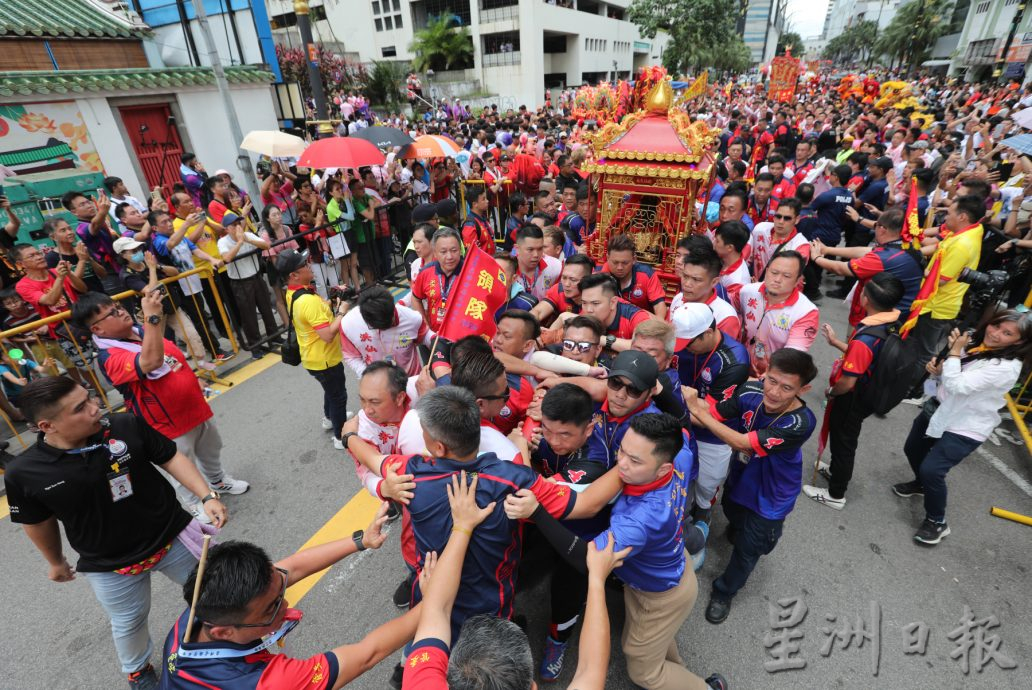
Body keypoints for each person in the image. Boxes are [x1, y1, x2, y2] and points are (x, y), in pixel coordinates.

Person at [345, 386, 621, 684]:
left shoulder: (410, 475)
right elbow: (584, 504)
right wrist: (627, 466)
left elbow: (374, 459)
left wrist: (349, 436)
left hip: (430, 595)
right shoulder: (515, 479)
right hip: (491, 607)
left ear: (438, 447)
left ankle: (407, 668)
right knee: (487, 673)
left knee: (423, 645)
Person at [3, 375, 229, 690]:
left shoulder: (125, 425)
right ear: (47, 426)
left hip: (172, 537)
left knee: (215, 591)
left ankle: (229, 637)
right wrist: (55, 562)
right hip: (109, 564)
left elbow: (170, 456)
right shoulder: (24, 473)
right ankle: (138, 671)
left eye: (90, 397)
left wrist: (206, 496)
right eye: (80, 408)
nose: (95, 407)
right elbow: (37, 521)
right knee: (129, 621)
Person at [505, 414, 728, 690]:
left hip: (658, 594)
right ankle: (677, 672)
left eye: (635, 461)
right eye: (622, 450)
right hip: (667, 569)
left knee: (645, 672)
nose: (621, 463)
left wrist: (537, 512)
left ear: (662, 469)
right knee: (656, 645)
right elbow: (680, 423)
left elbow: (589, 560)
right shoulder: (679, 452)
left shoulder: (640, 520)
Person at [402, 470, 628, 690]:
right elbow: (590, 669)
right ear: (532, 686)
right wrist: (596, 580)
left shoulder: (422, 681)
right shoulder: (423, 680)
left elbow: (436, 610)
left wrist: (460, 527)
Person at [160, 505, 422, 689]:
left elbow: (292, 569)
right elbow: (367, 654)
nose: (286, 605)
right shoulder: (270, 683)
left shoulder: (196, 615)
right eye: (272, 608)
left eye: (281, 594)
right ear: (224, 632)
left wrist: (362, 540)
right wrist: (432, 603)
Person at [72, 291, 249, 521]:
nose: (121, 311)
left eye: (118, 306)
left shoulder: (141, 331)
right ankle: (195, 501)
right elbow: (151, 361)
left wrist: (192, 378)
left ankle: (218, 481)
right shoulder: (109, 357)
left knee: (211, 446)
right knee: (179, 462)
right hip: (165, 422)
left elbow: (171, 357)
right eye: (112, 313)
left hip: (193, 407)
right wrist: (152, 317)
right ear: (98, 329)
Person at [684, 348, 818, 625]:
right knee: (731, 510)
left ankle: (724, 592)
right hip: (742, 474)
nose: (774, 392)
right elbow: (712, 414)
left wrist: (696, 409)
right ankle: (738, 528)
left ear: (803, 389)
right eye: (771, 380)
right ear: (764, 372)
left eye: (786, 387)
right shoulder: (749, 391)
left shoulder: (800, 422)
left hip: (772, 494)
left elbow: (741, 442)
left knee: (748, 550)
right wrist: (673, 400)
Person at [893, 311, 1031, 545]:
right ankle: (922, 484)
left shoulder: (1006, 367)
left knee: (933, 470)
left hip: (967, 424)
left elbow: (958, 385)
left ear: (1019, 341)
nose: (995, 334)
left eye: (1007, 333)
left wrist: (955, 352)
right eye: (996, 326)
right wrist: (938, 372)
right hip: (939, 410)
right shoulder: (976, 343)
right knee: (912, 449)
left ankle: (937, 521)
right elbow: (948, 377)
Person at [802, 274, 905, 510]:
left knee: (844, 443)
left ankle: (835, 494)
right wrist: (836, 343)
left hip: (853, 398)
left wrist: (831, 391)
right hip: (870, 391)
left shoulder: (865, 338)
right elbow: (865, 356)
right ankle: (835, 470)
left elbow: (847, 382)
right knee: (844, 440)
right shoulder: (890, 321)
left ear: (865, 299)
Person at [671, 303, 750, 526]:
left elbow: (710, 416)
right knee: (678, 476)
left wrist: (669, 400)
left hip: (713, 435)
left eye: (688, 343)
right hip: (680, 421)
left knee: (707, 482)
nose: (683, 348)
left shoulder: (734, 360)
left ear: (707, 333)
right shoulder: (686, 343)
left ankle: (704, 509)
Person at [903, 195, 985, 384]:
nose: (946, 217)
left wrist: (917, 264)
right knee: (917, 346)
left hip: (937, 306)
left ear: (962, 217)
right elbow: (939, 247)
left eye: (949, 213)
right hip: (933, 301)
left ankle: (911, 387)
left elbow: (938, 281)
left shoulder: (962, 244)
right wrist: (913, 253)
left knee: (924, 352)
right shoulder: (968, 231)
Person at [278, 249, 352, 448]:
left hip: (313, 358)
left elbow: (314, 315)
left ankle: (329, 418)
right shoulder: (307, 301)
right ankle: (340, 436)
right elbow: (327, 335)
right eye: (304, 264)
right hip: (325, 359)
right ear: (294, 275)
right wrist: (342, 311)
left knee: (330, 391)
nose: (309, 265)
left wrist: (331, 299)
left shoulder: (294, 292)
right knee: (338, 395)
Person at [810, 207, 923, 329]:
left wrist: (817, 258)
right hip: (900, 312)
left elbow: (841, 269)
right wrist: (827, 250)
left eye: (876, 226)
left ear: (882, 229)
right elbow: (866, 251)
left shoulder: (884, 258)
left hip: (880, 320)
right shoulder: (905, 244)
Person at [114, 240, 212, 371]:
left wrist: (158, 267)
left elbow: (175, 272)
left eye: (139, 248)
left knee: (191, 335)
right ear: (123, 255)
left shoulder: (148, 262)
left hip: (169, 306)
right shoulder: (127, 275)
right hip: (151, 315)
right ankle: (174, 372)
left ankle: (200, 363)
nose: (138, 252)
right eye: (133, 251)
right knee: (159, 346)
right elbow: (150, 290)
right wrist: (152, 269)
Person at [150, 209, 228, 362]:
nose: (169, 224)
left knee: (201, 318)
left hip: (193, 283)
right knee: (198, 320)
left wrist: (211, 259)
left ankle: (208, 351)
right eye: (164, 222)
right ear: (155, 228)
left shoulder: (180, 236)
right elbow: (170, 245)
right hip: (178, 289)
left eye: (169, 220)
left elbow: (195, 250)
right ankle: (215, 351)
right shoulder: (158, 241)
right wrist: (186, 224)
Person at [737, 251, 819, 377]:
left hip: (772, 377)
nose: (777, 279)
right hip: (740, 365)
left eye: (786, 276)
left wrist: (763, 380)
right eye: (774, 273)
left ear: (798, 280)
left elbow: (791, 358)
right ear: (767, 271)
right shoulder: (746, 291)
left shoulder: (806, 312)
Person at [216, 213, 279, 358]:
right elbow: (227, 258)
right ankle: (255, 346)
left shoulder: (247, 235)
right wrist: (239, 242)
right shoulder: (223, 242)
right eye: (233, 225)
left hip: (256, 276)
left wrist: (248, 239)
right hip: (240, 281)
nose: (238, 227)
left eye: (239, 223)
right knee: (248, 315)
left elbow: (266, 245)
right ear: (226, 229)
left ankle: (274, 336)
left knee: (266, 308)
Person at [341, 285, 430, 377]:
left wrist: (435, 342)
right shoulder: (348, 324)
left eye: (391, 322)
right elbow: (351, 356)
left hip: (412, 380)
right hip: (377, 383)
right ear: (367, 320)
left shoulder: (412, 318)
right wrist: (367, 375)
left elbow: (427, 337)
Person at [669, 247, 740, 341]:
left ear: (714, 282)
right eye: (685, 276)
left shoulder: (724, 316)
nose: (687, 284)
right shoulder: (678, 299)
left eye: (696, 279)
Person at [61, 190, 121, 290]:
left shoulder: (100, 220)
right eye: (82, 205)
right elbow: (94, 225)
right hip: (110, 274)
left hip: (121, 266)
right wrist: (102, 211)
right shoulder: (81, 228)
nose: (89, 206)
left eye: (88, 202)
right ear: (74, 212)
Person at [410, 226, 464, 335]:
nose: (449, 256)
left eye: (454, 250)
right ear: (435, 253)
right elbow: (415, 298)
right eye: (443, 252)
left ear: (460, 250)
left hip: (464, 338)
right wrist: (425, 326)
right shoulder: (425, 272)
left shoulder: (471, 272)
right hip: (435, 336)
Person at [602, 233, 668, 318]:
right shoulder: (602, 273)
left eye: (625, 263)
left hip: (643, 321)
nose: (619, 267)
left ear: (634, 259)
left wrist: (658, 322)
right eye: (615, 262)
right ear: (607, 258)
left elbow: (659, 305)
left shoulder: (646, 274)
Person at [747, 197, 811, 279]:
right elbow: (747, 258)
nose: (781, 222)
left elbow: (790, 277)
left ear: (797, 219)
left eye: (787, 218)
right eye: (778, 216)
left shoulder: (801, 246)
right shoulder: (760, 229)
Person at [44, 217, 108, 293]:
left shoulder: (82, 249)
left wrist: (89, 259)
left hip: (100, 294)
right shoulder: (51, 258)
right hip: (80, 299)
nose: (69, 232)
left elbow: (103, 275)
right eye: (63, 230)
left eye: (70, 228)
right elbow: (71, 284)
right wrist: (82, 260)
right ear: (53, 237)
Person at [531, 253, 594, 325]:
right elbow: (538, 312)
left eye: (573, 280)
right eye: (564, 277)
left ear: (587, 279)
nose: (566, 284)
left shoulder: (596, 297)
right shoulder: (559, 289)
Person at [512, 224, 562, 300]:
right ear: (517, 248)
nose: (536, 255)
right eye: (530, 249)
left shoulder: (556, 267)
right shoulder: (506, 270)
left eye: (540, 249)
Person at [712, 220, 752, 302]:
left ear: (730, 247)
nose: (713, 243)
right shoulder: (723, 258)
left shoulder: (738, 282)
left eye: (717, 241)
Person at [461, 186, 494, 253]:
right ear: (475, 204)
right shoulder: (470, 225)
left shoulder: (483, 217)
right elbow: (472, 253)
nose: (487, 201)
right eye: (483, 199)